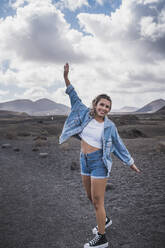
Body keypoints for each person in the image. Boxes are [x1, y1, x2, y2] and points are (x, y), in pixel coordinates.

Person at [59, 63, 140, 248]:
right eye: (102, 104)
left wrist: (130, 162)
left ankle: (102, 238)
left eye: (108, 107)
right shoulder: (83, 112)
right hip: (84, 160)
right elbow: (72, 93)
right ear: (95, 104)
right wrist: (65, 77)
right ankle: (105, 219)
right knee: (90, 197)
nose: (104, 108)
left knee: (97, 200)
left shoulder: (109, 126)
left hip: (99, 163)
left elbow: (119, 145)